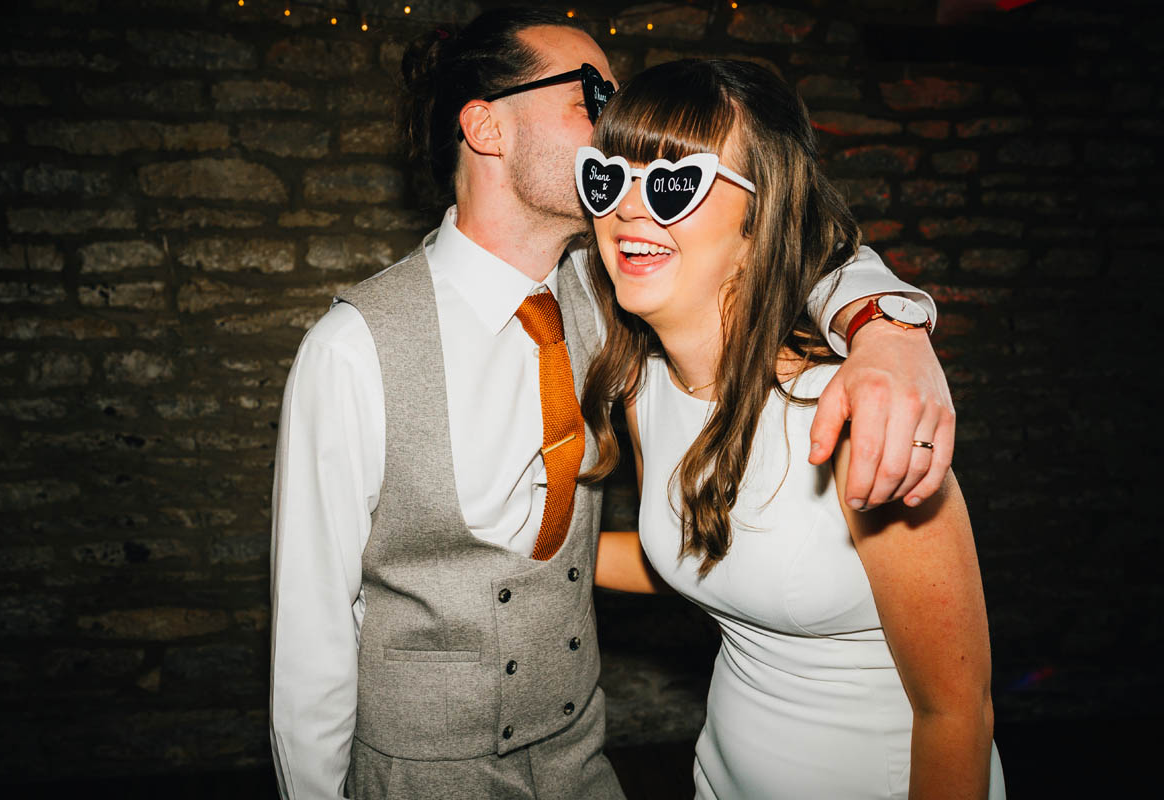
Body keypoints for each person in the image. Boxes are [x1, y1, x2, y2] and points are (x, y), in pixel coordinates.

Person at [270, 8, 954, 800]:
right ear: (487, 127)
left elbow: (784, 229)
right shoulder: (352, 347)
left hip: (581, 761)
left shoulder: (617, 296)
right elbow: (310, 640)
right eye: (591, 94)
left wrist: (886, 326)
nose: (616, 119)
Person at [582, 59, 1004, 799]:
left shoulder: (851, 415)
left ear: (757, 223)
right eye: (606, 179)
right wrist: (514, 553)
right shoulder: (645, 389)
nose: (629, 210)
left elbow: (954, 711)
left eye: (674, 184)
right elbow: (699, 556)